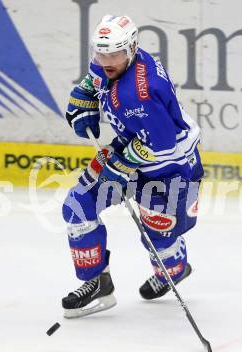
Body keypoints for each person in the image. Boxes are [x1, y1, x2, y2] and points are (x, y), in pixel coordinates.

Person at [62, 15, 204, 318]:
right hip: (130, 149)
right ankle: (97, 282)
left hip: (169, 170)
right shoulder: (112, 63)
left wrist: (120, 166)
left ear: (131, 48)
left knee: (159, 235)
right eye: (100, 52)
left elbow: (161, 144)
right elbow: (93, 83)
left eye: (114, 53)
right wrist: (82, 99)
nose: (106, 60)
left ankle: (174, 269)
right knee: (78, 205)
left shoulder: (140, 94)